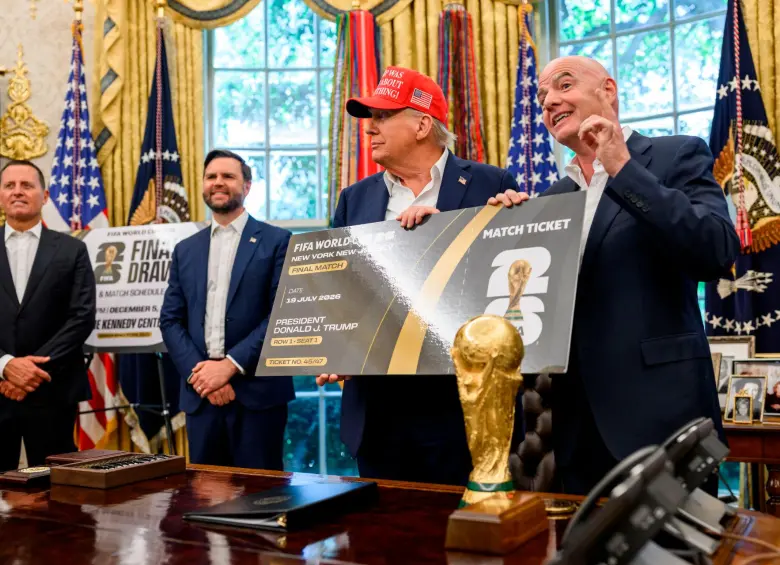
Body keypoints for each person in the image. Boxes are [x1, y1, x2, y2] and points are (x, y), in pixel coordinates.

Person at [490, 56, 739, 494]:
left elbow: (715, 250)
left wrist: (623, 168)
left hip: (662, 422)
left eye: (563, 86)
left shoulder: (675, 154)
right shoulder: (551, 199)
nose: (549, 101)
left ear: (608, 90)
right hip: (570, 433)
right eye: (543, 96)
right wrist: (505, 235)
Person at [316, 66, 521, 485]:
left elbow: (508, 290)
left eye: (382, 117)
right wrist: (335, 347)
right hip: (377, 414)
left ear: (423, 124)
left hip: (456, 410)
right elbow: (341, 290)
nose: (369, 129)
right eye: (369, 119)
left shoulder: (491, 183)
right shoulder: (354, 199)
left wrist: (445, 233)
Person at [160, 149, 295, 469]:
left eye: (228, 176)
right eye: (211, 177)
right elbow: (169, 320)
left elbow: (282, 314)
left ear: (246, 186)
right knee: (205, 499)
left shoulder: (278, 241)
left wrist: (229, 367)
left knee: (260, 500)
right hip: (202, 397)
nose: (218, 183)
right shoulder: (185, 250)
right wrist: (203, 374)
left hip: (258, 397)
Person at [0, 159, 96, 471]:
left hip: (53, 388)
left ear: (45, 195)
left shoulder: (72, 250)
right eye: (9, 186)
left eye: (27, 185)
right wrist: (5, 366)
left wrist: (30, 371)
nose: (17, 192)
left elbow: (81, 317)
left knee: (57, 494)